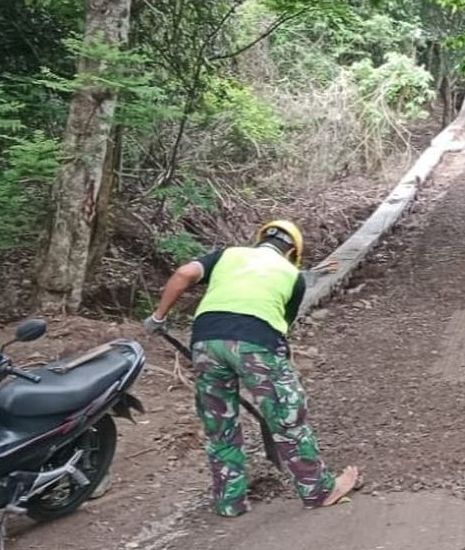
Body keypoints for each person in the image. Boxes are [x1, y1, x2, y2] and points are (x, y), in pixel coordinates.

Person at [143, 219, 359, 516]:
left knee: (220, 426)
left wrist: (158, 317)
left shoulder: (227, 255)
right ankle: (319, 490)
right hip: (256, 344)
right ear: (292, 252)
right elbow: (283, 324)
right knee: (287, 418)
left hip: (206, 342)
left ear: (258, 239)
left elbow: (184, 273)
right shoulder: (293, 275)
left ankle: (230, 502)